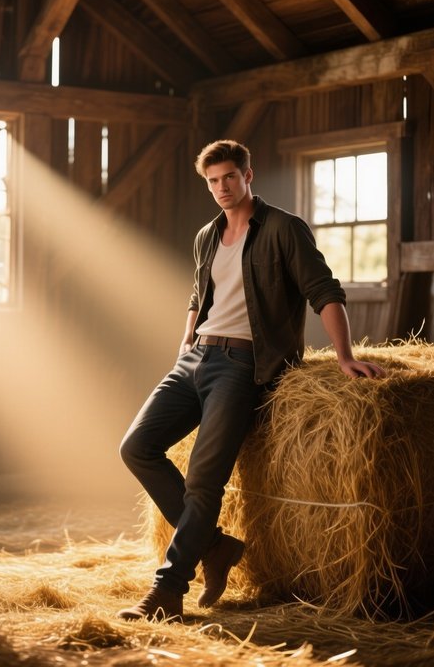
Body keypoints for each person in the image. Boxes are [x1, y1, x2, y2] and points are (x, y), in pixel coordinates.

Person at [117, 139, 385, 622]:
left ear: (248, 175)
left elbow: (325, 291)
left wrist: (344, 356)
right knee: (136, 447)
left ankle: (168, 589)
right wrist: (185, 345)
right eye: (213, 181)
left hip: (244, 366)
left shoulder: (284, 229)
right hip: (195, 358)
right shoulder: (206, 235)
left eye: (229, 178)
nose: (221, 188)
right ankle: (216, 547)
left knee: (204, 480)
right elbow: (197, 298)